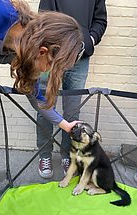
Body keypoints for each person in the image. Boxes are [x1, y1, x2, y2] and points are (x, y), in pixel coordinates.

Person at [0, 0, 85, 133]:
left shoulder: (22, 53)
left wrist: (65, 125)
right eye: (50, 66)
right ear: (43, 51)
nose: (46, 71)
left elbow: (36, 97)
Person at [37, 0, 107, 178]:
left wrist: (89, 42)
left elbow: (100, 20)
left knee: (72, 111)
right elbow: (43, 17)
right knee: (45, 105)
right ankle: (44, 155)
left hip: (81, 58)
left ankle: (67, 156)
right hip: (52, 56)